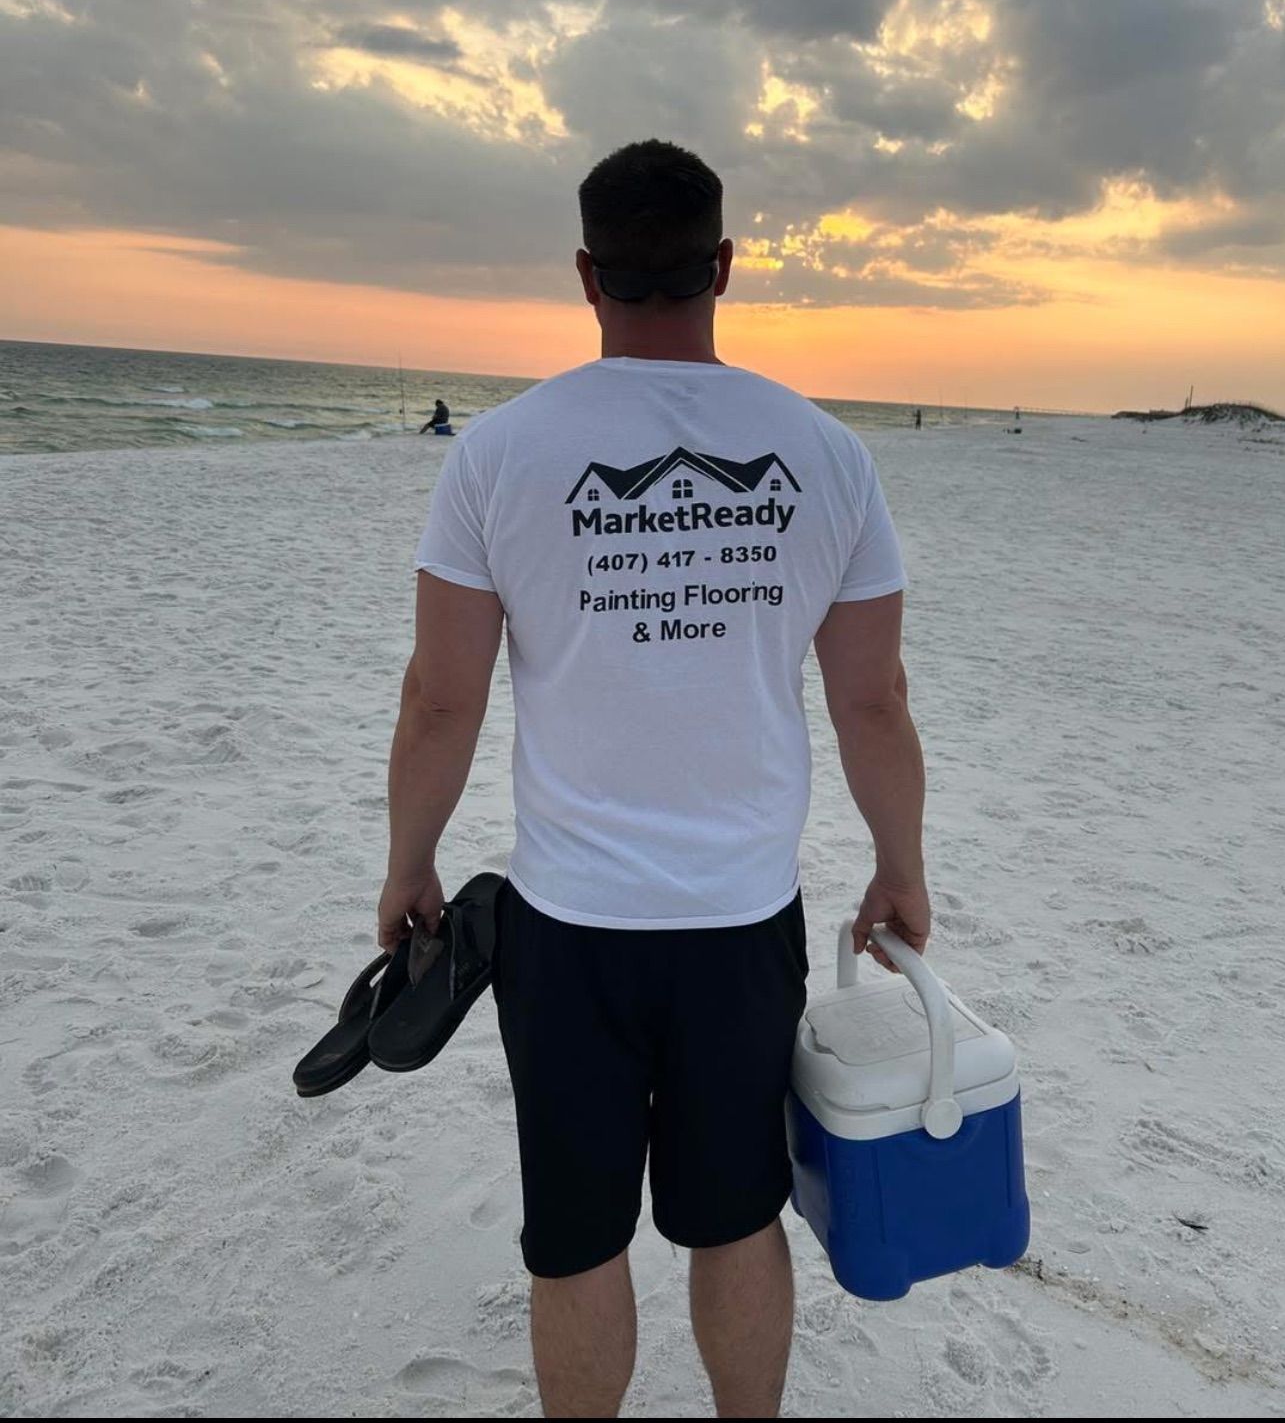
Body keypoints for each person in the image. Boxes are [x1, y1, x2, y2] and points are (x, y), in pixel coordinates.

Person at [379, 139, 929, 1419]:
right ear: (723, 267)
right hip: (740, 917)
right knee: (738, 1219)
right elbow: (873, 698)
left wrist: (410, 864)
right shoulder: (829, 455)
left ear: (586, 275)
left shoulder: (501, 453)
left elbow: (441, 697)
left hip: (570, 925)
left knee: (576, 1239)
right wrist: (901, 866)